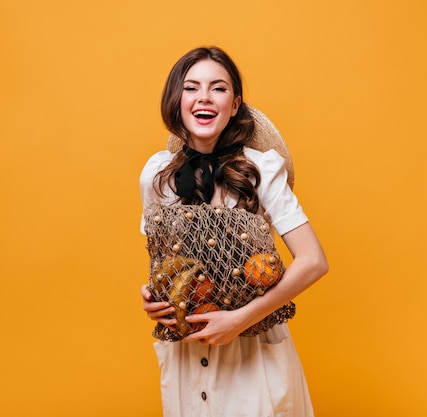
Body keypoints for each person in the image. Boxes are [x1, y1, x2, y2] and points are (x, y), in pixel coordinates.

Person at [139, 46, 329, 417]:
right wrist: (152, 297)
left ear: (235, 104)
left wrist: (242, 319)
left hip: (252, 352)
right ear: (176, 100)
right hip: (187, 352)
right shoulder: (157, 176)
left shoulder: (261, 169)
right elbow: (164, 262)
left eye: (219, 88)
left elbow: (314, 261)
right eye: (191, 87)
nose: (204, 97)